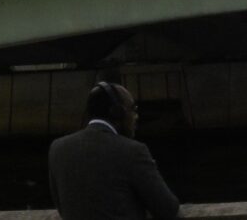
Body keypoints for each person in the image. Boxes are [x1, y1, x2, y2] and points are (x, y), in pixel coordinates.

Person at [48, 82, 179, 220]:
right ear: (117, 112)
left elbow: (61, 206)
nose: (136, 117)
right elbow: (168, 209)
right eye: (133, 109)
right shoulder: (133, 151)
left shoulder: (58, 149)